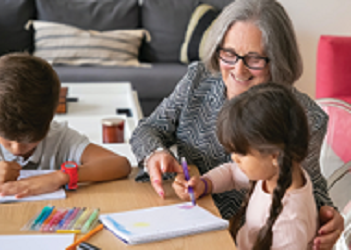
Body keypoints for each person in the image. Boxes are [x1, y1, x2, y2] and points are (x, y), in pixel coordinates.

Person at [130, 0, 344, 249]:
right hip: (187, 219)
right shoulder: (198, 80)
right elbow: (148, 129)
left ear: (278, 59)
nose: (238, 70)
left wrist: (329, 217)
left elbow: (310, 188)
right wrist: (156, 154)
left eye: (254, 59)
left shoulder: (304, 116)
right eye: (229, 55)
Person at [174, 82, 318, 249]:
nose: (234, 158)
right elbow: (231, 173)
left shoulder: (289, 222)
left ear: (273, 155)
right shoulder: (278, 171)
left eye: (241, 153)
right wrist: (204, 184)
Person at [0, 53, 131, 197]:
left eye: (29, 140)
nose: (16, 149)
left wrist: (60, 177)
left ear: (49, 121)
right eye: (7, 139)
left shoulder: (59, 138)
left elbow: (120, 165)